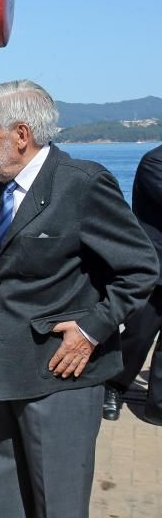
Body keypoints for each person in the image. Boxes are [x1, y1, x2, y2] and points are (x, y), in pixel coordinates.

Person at [0, 80, 157, 518]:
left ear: (20, 134)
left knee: (60, 485)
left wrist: (93, 328)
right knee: (2, 471)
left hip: (62, 368)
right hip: (3, 362)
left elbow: (141, 268)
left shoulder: (82, 183)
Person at [102, 143, 162, 422]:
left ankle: (157, 406)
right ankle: (113, 385)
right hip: (153, 268)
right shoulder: (154, 163)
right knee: (138, 334)